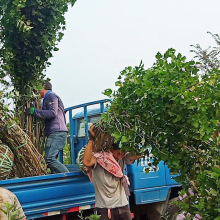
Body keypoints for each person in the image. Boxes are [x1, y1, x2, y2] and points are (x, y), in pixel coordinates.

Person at [83, 125, 142, 220]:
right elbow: (86, 162)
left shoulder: (122, 159)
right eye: (118, 152)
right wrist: (91, 139)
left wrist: (133, 137)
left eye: (123, 152)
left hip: (122, 205)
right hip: (104, 207)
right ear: (110, 149)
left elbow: (139, 154)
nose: (121, 155)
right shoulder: (100, 159)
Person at [26, 81, 69, 174]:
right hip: (54, 132)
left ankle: (69, 179)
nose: (37, 91)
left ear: (43, 86)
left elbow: (52, 112)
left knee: (50, 159)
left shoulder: (51, 96)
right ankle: (59, 183)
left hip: (57, 132)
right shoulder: (47, 98)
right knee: (48, 160)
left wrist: (35, 112)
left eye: (38, 88)